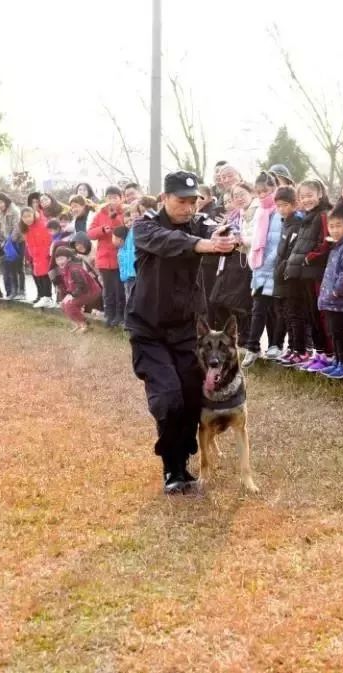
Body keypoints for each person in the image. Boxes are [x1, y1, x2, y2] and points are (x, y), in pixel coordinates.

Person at [127, 170, 239, 494]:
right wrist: (205, 244)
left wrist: (224, 238)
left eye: (194, 202)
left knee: (192, 397)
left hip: (188, 330)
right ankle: (172, 468)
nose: (188, 208)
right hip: (148, 328)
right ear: (164, 198)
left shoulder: (200, 223)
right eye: (181, 201)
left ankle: (183, 461)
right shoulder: (146, 225)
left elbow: (216, 231)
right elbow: (172, 243)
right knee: (169, 397)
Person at [282, 180, 333, 369]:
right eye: (302, 197)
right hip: (304, 273)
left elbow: (326, 243)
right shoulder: (306, 217)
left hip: (316, 271)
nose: (306, 199)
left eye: (309, 195)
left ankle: (329, 354)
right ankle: (319, 353)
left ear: (320, 194)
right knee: (311, 314)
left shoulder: (323, 215)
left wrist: (309, 258)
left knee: (320, 315)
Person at [210, 182, 255, 349]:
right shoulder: (231, 218)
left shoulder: (250, 213)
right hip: (228, 261)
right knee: (218, 300)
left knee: (240, 303)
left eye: (233, 199)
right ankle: (230, 335)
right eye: (228, 200)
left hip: (242, 260)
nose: (230, 203)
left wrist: (237, 238)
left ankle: (244, 336)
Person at [246, 171, 285, 364]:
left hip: (273, 266)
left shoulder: (279, 212)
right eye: (258, 191)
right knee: (259, 308)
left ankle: (275, 345)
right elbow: (255, 240)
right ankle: (252, 346)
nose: (262, 195)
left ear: (274, 188)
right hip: (259, 268)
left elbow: (278, 242)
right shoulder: (260, 211)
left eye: (266, 191)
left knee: (275, 310)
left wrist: (266, 263)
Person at [316, 202, 343, 378]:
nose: (334, 230)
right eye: (331, 227)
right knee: (333, 333)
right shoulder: (335, 247)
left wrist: (336, 292)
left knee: (340, 333)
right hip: (329, 300)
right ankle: (338, 361)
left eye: (338, 226)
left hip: (338, 301)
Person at [272, 186, 306, 366]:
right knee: (285, 314)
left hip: (291, 277)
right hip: (280, 275)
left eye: (285, 205)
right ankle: (291, 348)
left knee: (294, 315)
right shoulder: (285, 223)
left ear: (294, 204)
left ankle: (299, 349)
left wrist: (283, 268)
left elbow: (293, 252)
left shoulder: (298, 223)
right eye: (278, 206)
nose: (281, 209)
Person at [90, 186, 126, 327]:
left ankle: (119, 314)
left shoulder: (123, 212)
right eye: (109, 197)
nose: (112, 200)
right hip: (104, 258)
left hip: (118, 257)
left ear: (120, 198)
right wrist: (102, 230)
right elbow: (90, 233)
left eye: (115, 197)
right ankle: (109, 314)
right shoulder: (99, 214)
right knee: (108, 290)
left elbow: (123, 229)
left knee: (119, 289)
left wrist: (114, 218)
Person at [54, 246, 102, 332]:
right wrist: (67, 296)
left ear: (68, 258)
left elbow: (82, 285)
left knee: (69, 304)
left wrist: (72, 295)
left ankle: (85, 325)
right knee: (63, 304)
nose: (59, 262)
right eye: (57, 260)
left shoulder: (74, 269)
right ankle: (78, 324)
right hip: (81, 292)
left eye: (62, 259)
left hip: (91, 291)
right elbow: (70, 286)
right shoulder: (64, 269)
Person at [20, 207, 56, 308]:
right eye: (24, 217)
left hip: (44, 255)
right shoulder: (27, 228)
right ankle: (43, 296)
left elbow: (48, 240)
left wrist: (46, 253)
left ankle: (48, 297)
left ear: (34, 215)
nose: (27, 219)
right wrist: (31, 254)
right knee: (39, 276)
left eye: (29, 216)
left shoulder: (42, 225)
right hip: (35, 255)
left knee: (45, 276)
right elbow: (29, 243)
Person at [0, 193, 23, 300]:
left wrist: (11, 240)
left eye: (0, 202)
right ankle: (12, 291)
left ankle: (20, 291)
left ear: (6, 201)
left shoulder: (14, 211)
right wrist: (3, 241)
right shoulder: (1, 213)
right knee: (10, 268)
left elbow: (17, 227)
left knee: (17, 267)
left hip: (17, 242)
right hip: (7, 242)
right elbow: (2, 229)